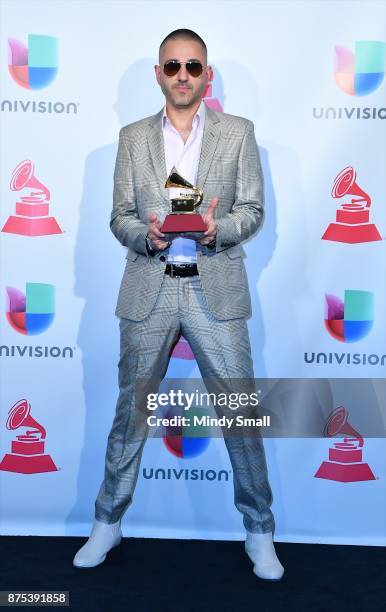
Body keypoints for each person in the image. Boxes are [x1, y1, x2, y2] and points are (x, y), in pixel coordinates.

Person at [73, 28, 284, 581]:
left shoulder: (238, 134)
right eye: (173, 66)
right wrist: (148, 234)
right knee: (129, 418)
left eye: (193, 65)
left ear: (207, 74)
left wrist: (218, 229)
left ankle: (260, 530)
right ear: (159, 75)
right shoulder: (132, 137)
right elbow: (119, 217)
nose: (183, 75)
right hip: (151, 287)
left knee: (240, 415)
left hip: (216, 288)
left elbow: (254, 212)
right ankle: (107, 521)